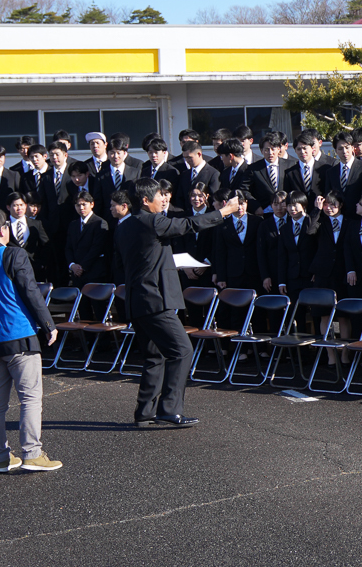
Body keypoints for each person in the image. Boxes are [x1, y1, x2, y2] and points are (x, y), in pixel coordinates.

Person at [115, 179, 243, 428]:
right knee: (182, 350)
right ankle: (169, 409)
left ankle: (144, 412)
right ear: (144, 200)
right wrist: (224, 212)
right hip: (155, 301)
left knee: (154, 356)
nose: (163, 200)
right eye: (158, 196)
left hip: (137, 301)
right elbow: (188, 224)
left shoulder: (124, 226)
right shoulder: (152, 221)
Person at [0, 207, 61, 472]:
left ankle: (2, 458)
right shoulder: (13, 254)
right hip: (17, 334)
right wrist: (48, 324)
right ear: (2, 230)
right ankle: (32, 454)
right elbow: (31, 292)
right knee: (30, 398)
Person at [64, 190, 113, 286]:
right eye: (78, 205)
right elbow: (68, 247)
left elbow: (96, 248)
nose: (81, 208)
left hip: (94, 273)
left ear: (92, 204)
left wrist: (82, 267)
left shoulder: (100, 223)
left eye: (84, 204)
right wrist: (72, 265)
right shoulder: (73, 225)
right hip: (77, 275)